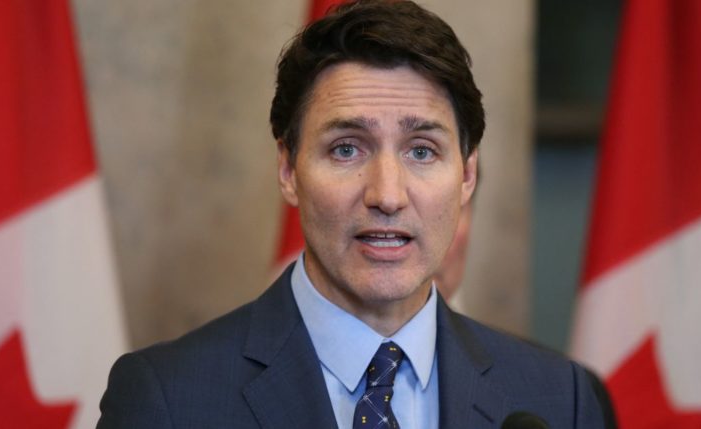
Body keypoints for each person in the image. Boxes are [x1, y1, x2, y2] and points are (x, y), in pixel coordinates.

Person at [97, 1, 605, 428]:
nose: (387, 194)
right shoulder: (166, 402)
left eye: (422, 151)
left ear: (467, 175)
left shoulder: (561, 402)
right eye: (346, 149)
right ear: (288, 171)